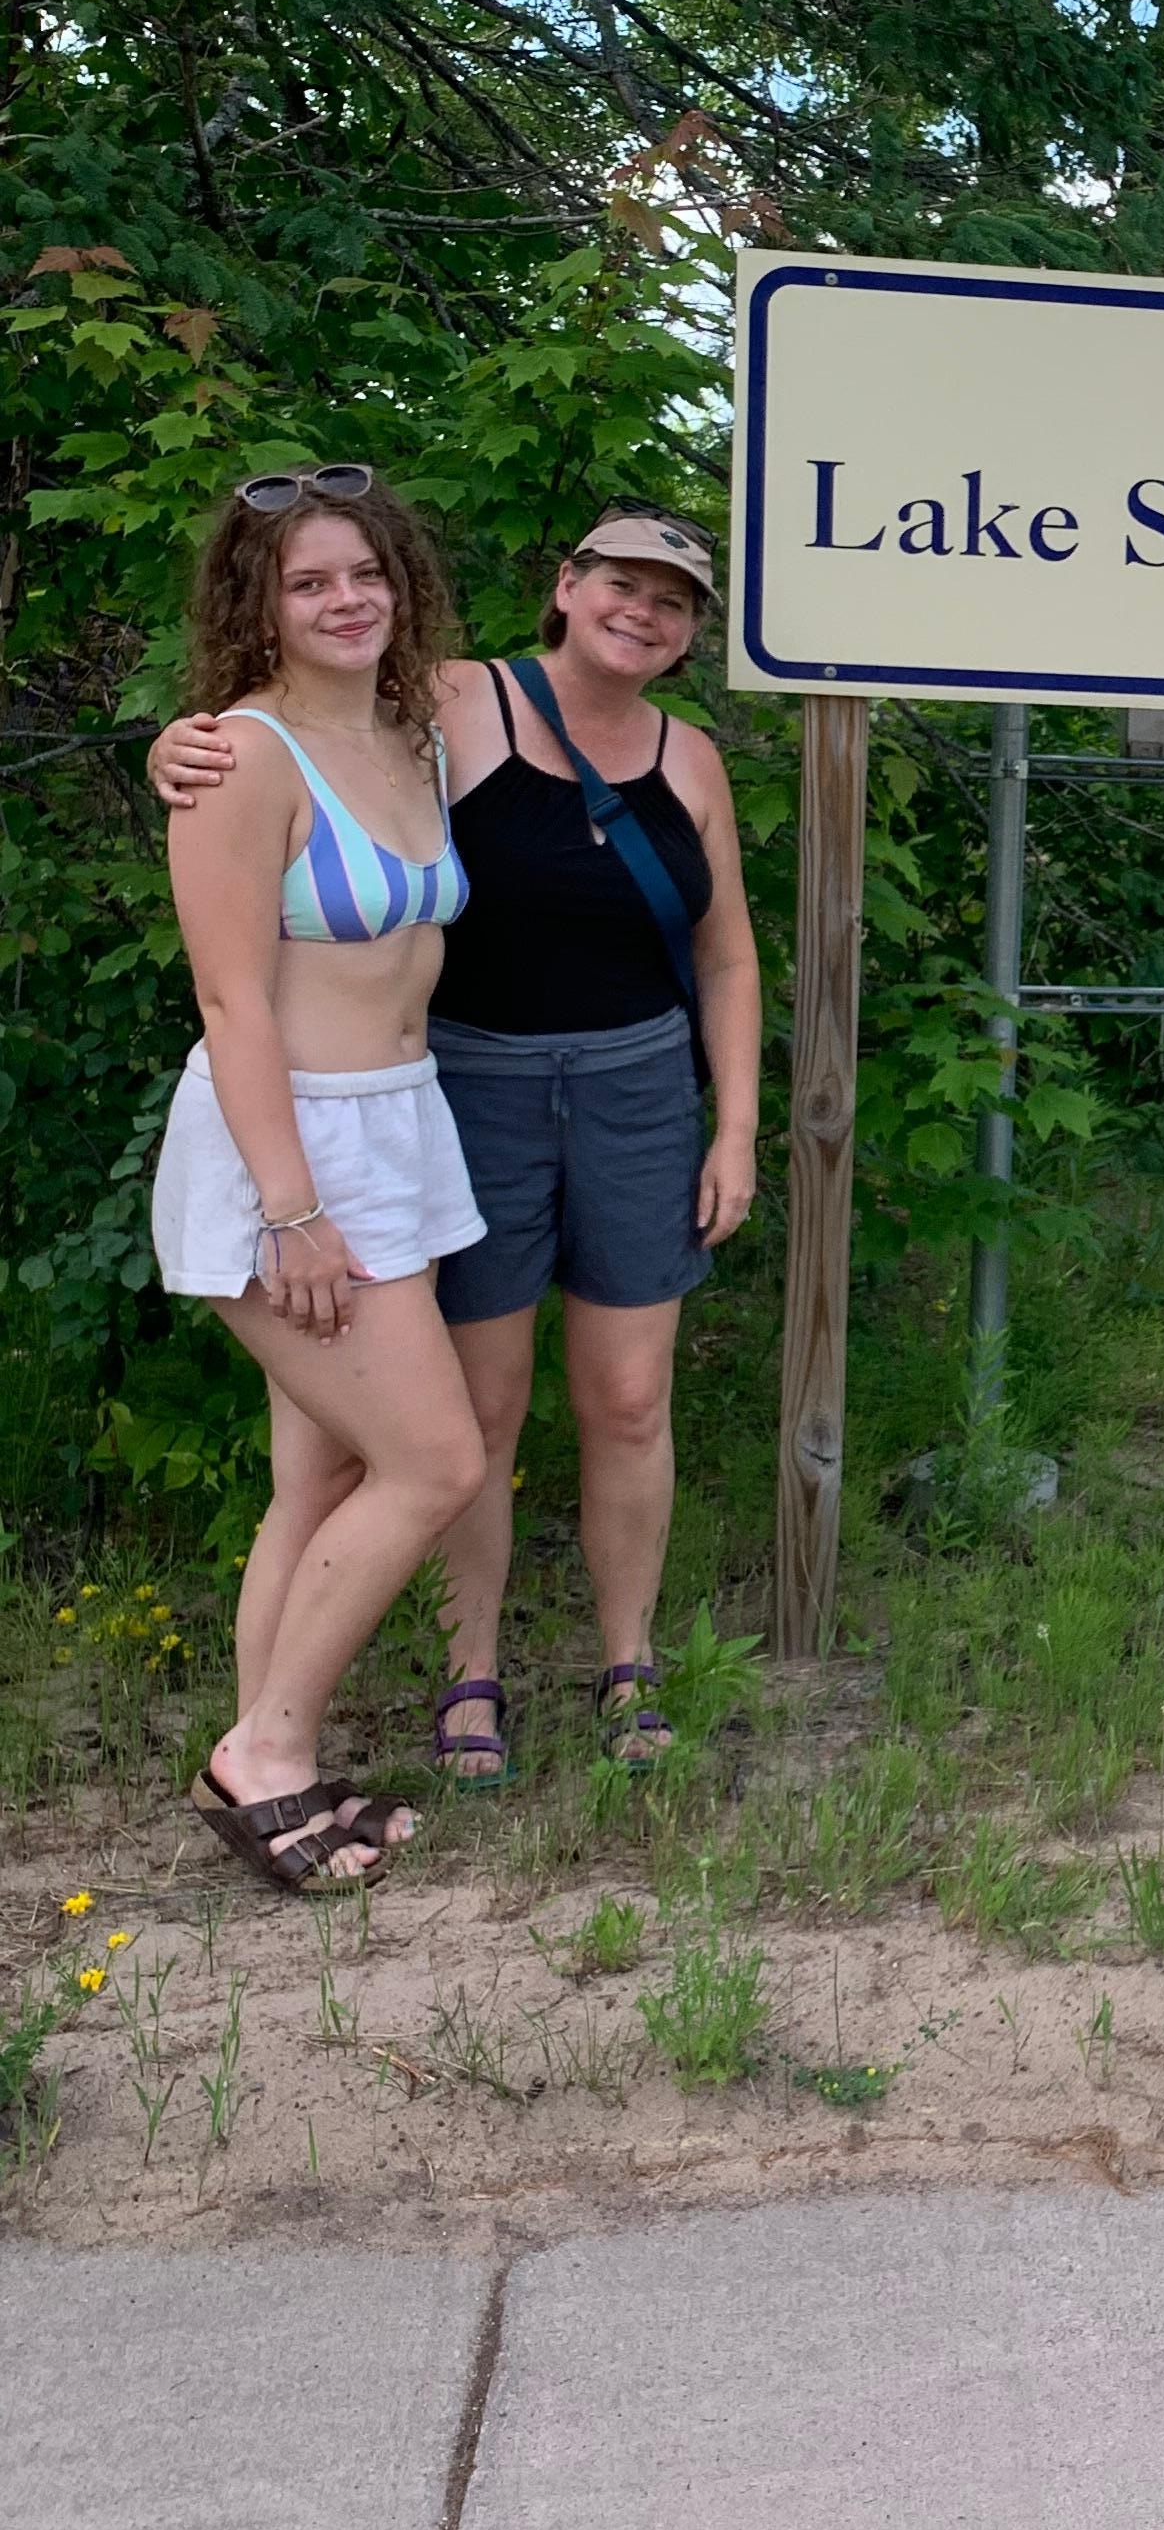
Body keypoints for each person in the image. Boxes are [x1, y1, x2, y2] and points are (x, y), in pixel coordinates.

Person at [152, 510, 761, 1781]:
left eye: (673, 600)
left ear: (695, 630)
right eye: (619, 583)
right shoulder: (450, 702)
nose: (642, 611)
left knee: (591, 1406)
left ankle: (613, 1666)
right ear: (564, 584)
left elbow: (728, 956)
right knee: (459, 1423)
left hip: (529, 1106)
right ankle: (420, 1692)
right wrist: (181, 743)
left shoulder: (660, 756)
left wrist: (739, 1127)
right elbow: (276, 750)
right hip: (439, 1097)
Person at [152, 468, 489, 1891]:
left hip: (401, 1128)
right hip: (288, 1147)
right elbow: (233, 1004)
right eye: (308, 582)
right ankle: (266, 1754)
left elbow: (574, 676)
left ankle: (272, 1759)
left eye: (367, 573)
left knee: (324, 1473)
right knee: (435, 1461)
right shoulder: (242, 758)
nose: (347, 601)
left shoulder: (420, 730)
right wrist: (291, 1211)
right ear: (260, 604)